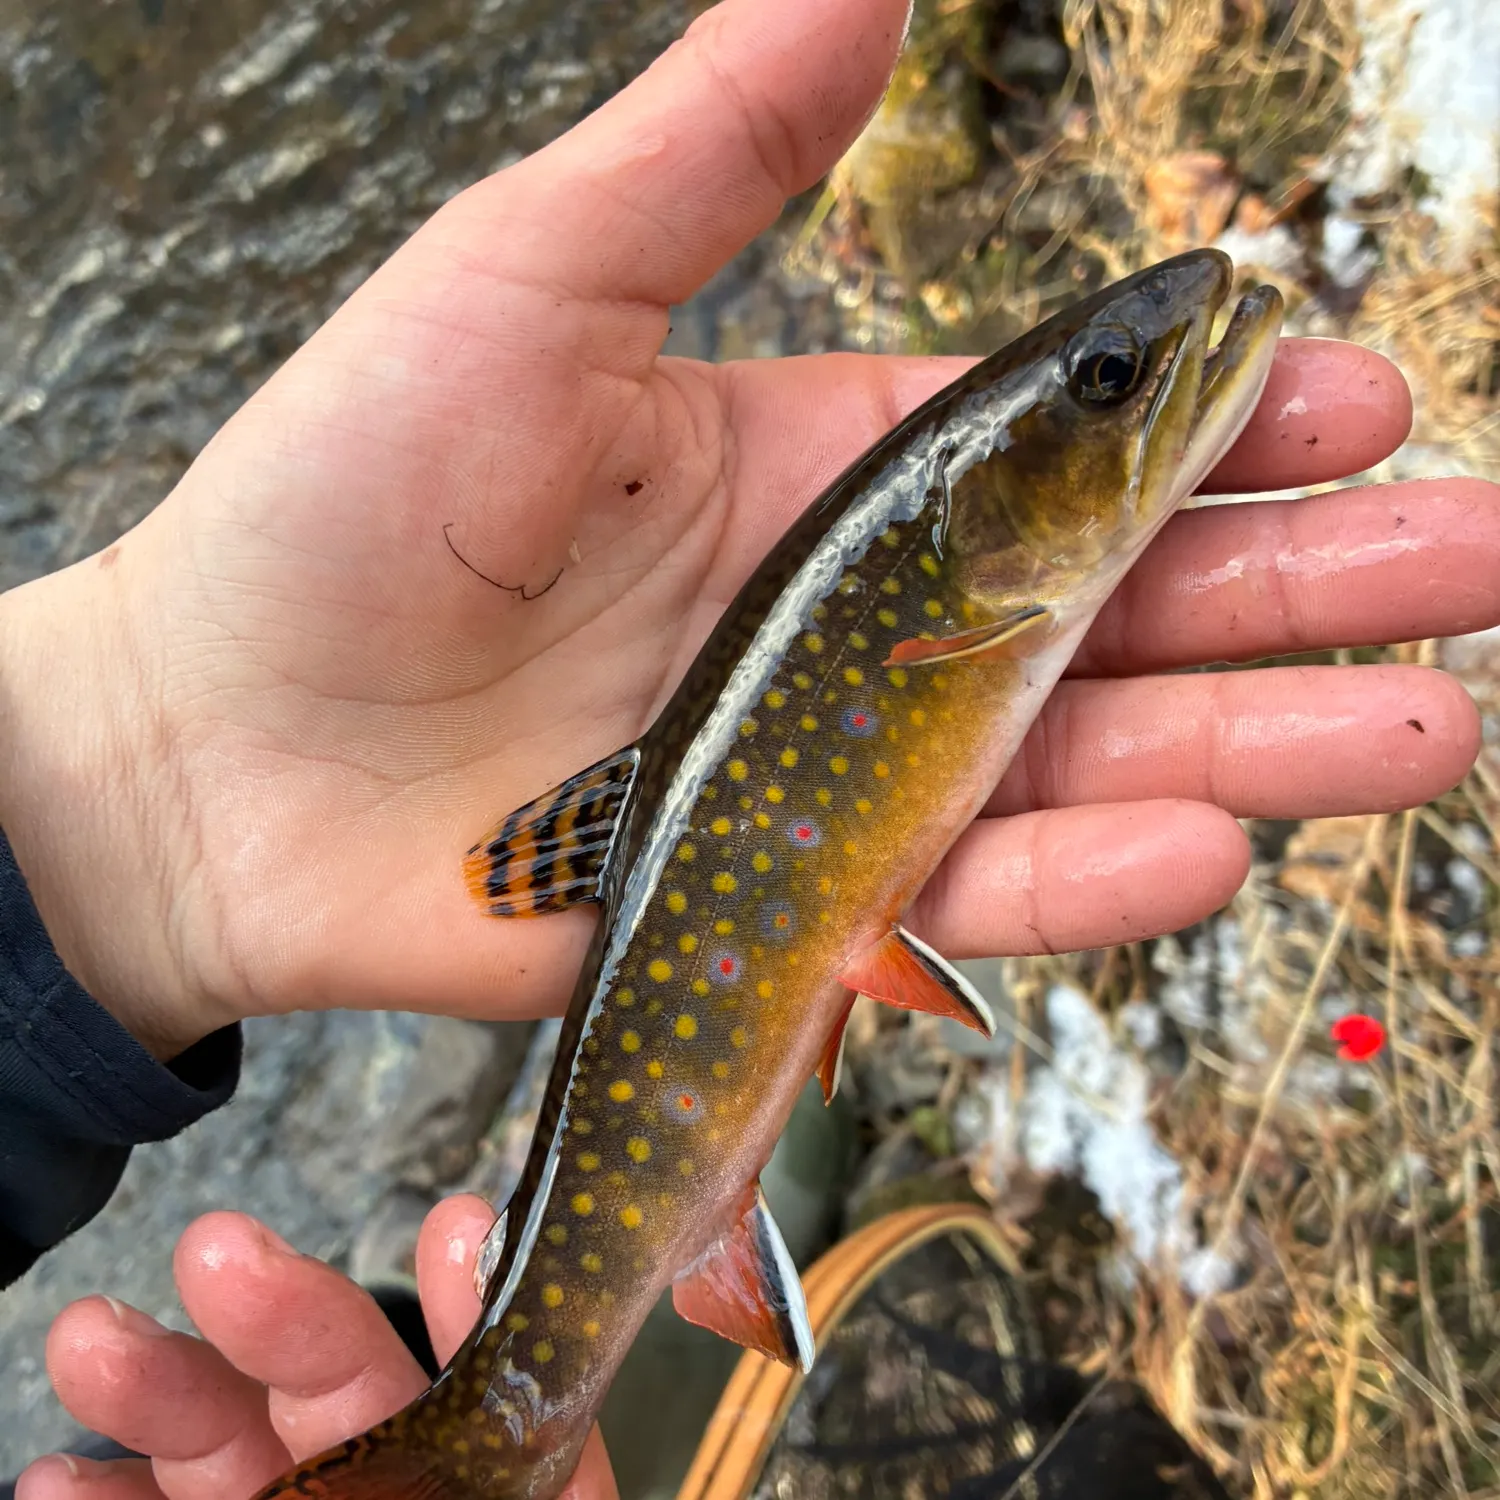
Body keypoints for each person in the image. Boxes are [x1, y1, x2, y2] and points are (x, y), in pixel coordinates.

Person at [1, 0, 1495, 1492]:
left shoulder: (963, 604)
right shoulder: (945, 603)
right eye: (1106, 381)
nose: (1152, 355)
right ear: (973, 525)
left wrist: (117, 820)